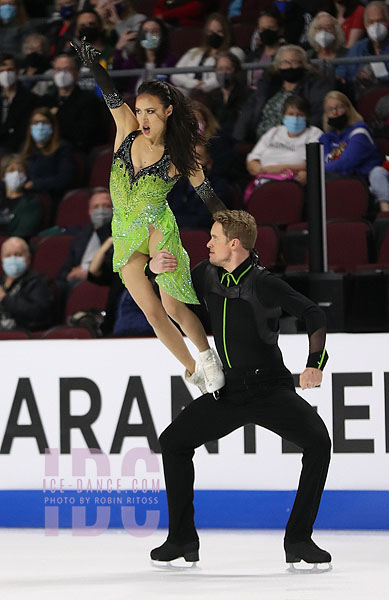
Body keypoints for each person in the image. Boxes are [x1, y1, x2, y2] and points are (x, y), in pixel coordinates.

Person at [148, 210, 332, 568]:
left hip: (270, 387)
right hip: (229, 391)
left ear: (234, 244)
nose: (207, 243)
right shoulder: (205, 274)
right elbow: (168, 281)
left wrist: (315, 364)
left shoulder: (265, 283)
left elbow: (314, 314)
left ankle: (298, 538)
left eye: (214, 238)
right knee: (173, 442)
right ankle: (181, 537)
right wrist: (153, 268)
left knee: (319, 444)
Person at [71, 37, 227, 394]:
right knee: (151, 312)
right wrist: (97, 66)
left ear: (168, 112)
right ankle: (194, 372)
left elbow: (206, 192)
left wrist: (227, 222)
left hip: (158, 227)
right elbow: (111, 95)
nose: (142, 118)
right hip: (124, 232)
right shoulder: (126, 129)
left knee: (171, 303)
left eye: (150, 111)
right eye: (139, 110)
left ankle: (207, 355)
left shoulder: (179, 153)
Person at [234, 45, 332, 143]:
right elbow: (249, 111)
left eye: (294, 62)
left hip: (295, 142)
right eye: (284, 62)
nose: (289, 66)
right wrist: (238, 140)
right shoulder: (268, 85)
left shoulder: (316, 85)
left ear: (304, 64)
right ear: (278, 65)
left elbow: (316, 117)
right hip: (261, 143)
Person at [335, 1, 389, 94]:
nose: (376, 26)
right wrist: (342, 75)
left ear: (388, 21)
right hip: (362, 95)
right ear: (365, 25)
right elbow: (344, 67)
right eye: (371, 22)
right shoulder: (359, 47)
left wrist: (379, 78)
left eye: (380, 20)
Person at [246, 95, 323, 190]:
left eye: (300, 114)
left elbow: (314, 164)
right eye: (291, 114)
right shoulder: (274, 132)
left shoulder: (314, 133)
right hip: (264, 181)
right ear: (284, 116)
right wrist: (260, 169)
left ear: (306, 117)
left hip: (294, 183)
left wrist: (277, 169)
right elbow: (252, 160)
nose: (295, 118)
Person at [42, 53, 107, 152]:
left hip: (76, 151)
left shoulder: (89, 100)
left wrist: (57, 115)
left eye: (67, 69)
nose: (62, 74)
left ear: (76, 73)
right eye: (58, 70)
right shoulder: (46, 100)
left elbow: (85, 133)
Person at [170, 12, 245, 97]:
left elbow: (224, 77)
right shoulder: (194, 51)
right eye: (210, 32)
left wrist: (204, 86)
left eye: (219, 31)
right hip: (187, 94)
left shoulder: (235, 51)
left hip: (215, 95)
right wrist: (193, 84)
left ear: (227, 33)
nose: (214, 35)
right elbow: (175, 75)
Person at [57, 187, 113, 285]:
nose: (100, 211)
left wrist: (88, 273)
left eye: (106, 206)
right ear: (89, 211)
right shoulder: (82, 235)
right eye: (96, 207)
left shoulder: (119, 235)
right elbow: (65, 268)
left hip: (101, 283)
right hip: (75, 283)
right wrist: (70, 274)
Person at [319, 90, 381, 178]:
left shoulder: (360, 132)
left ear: (348, 109)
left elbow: (347, 162)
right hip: (335, 181)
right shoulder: (326, 138)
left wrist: (319, 170)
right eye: (330, 109)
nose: (335, 112)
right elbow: (320, 162)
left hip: (361, 183)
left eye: (339, 107)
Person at [21, 106, 75, 206]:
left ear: (52, 126)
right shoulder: (25, 147)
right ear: (30, 126)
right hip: (26, 198)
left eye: (44, 122)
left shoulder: (62, 148)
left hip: (51, 199)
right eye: (35, 122)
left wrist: (35, 184)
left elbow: (64, 179)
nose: (40, 126)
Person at [0, 236, 54, 331]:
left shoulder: (38, 282)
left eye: (18, 254)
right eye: (8, 256)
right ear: (2, 261)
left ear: (28, 259)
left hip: (23, 336)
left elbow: (37, 313)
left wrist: (5, 298)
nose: (13, 259)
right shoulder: (1, 281)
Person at [115, 17, 177, 94]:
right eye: (145, 31)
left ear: (162, 35)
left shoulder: (170, 59)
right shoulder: (133, 60)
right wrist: (118, 49)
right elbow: (118, 80)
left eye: (154, 31)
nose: (149, 35)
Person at [0, 52, 38, 154]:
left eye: (9, 70)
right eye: (2, 71)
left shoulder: (30, 99)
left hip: (17, 148)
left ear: (17, 71)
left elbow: (23, 131)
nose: (6, 74)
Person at [206, 52, 251, 137]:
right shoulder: (211, 95)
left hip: (236, 137)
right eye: (220, 69)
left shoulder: (246, 94)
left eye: (228, 69)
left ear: (236, 71)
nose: (223, 73)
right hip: (216, 138)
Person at [0, 153, 42, 238]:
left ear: (26, 175)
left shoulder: (31, 203)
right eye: (11, 170)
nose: (16, 174)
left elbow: (22, 233)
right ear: (3, 176)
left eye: (20, 170)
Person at [244, 9, 284, 91]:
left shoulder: (286, 55)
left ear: (280, 30)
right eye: (262, 29)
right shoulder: (252, 55)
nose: (266, 32)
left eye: (271, 28)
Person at [306, 11, 347, 79]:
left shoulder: (347, 54)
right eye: (319, 28)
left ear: (336, 32)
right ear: (313, 32)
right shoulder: (308, 56)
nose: (323, 32)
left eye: (328, 28)